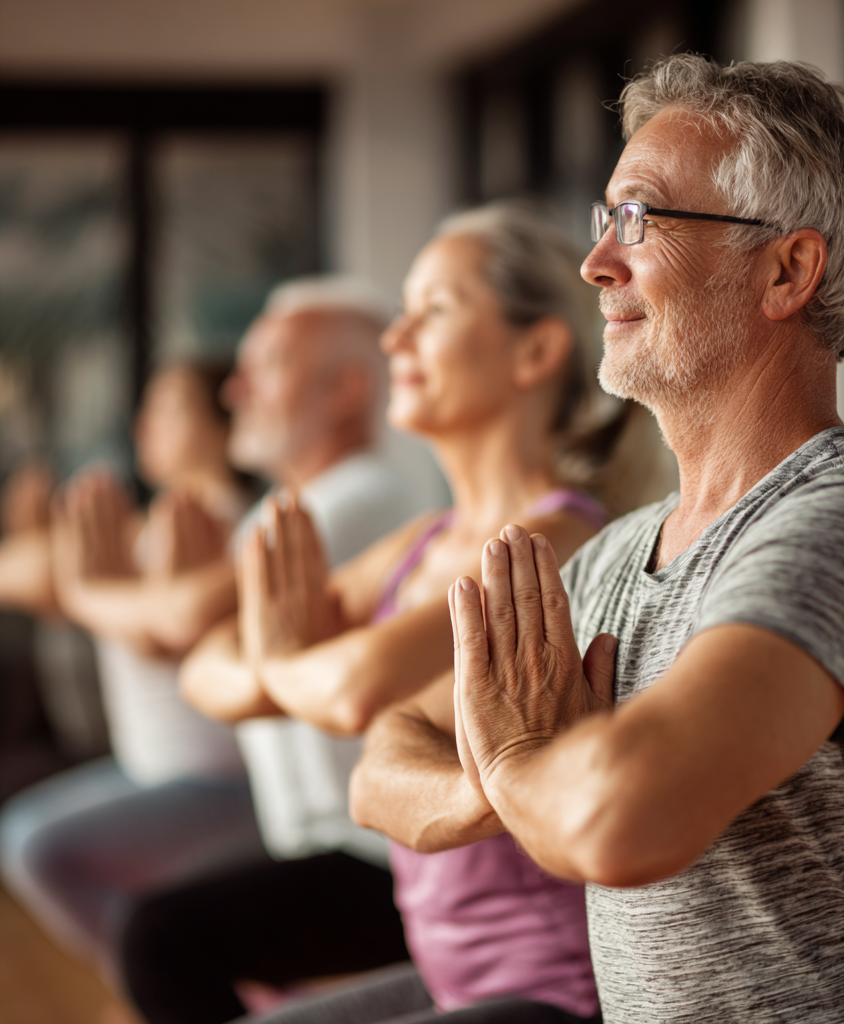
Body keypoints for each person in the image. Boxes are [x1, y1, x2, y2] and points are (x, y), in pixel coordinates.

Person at [356, 57, 844, 1023]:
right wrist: (498, 784)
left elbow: (625, 818)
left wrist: (512, 763)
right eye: (604, 221)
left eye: (641, 220)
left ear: (788, 270)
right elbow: (385, 750)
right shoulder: (619, 556)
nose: (597, 264)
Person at [121, 202, 665, 1024]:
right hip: (447, 976)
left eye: (434, 311)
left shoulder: (548, 540)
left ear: (537, 350)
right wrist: (311, 666)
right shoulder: (423, 542)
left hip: (555, 997)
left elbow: (355, 688)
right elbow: (212, 670)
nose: (393, 339)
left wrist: (287, 663)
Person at [0, 359, 262, 973]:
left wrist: (87, 586)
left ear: (225, 427)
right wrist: (79, 579)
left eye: (171, 408)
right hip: (155, 771)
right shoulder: (154, 526)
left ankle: (178, 988)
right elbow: (43, 578)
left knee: (36, 846)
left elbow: (154, 625)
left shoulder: (226, 526)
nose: (145, 425)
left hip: (224, 783)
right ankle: (168, 984)